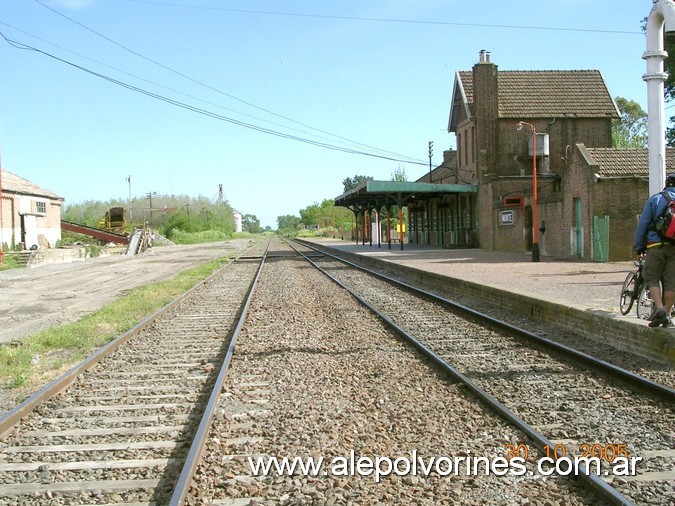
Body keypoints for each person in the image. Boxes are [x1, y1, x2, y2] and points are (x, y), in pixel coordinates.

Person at [634, 174, 675, 327]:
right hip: (674, 248)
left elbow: (642, 225)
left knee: (651, 278)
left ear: (667, 184)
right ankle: (668, 314)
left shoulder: (656, 199)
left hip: (655, 246)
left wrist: (639, 246)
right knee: (672, 283)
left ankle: (660, 310)